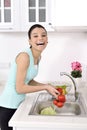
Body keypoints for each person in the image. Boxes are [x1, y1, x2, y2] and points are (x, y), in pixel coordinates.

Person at [0, 24, 59, 130]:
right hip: (8, 106)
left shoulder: (38, 56)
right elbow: (20, 88)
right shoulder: (24, 56)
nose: (40, 38)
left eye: (43, 35)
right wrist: (45, 87)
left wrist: (46, 85)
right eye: (35, 36)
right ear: (30, 41)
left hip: (18, 103)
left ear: (47, 39)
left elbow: (29, 80)